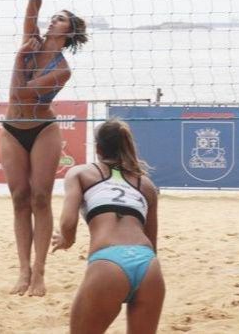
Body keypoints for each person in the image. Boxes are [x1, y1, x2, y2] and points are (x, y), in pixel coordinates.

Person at [0, 0, 88, 296]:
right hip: (11, 127)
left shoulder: (62, 68)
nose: (53, 21)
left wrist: (21, 58)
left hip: (43, 130)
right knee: (19, 198)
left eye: (61, 19)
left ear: (70, 32)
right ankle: (22, 271)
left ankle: (39, 273)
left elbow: (24, 91)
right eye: (54, 17)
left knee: (40, 197)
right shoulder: (31, 39)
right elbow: (31, 13)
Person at [52, 119, 164, 334]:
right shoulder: (146, 185)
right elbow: (152, 241)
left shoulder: (80, 173)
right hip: (148, 266)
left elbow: (68, 223)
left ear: (98, 148)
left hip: (109, 262)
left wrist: (67, 240)